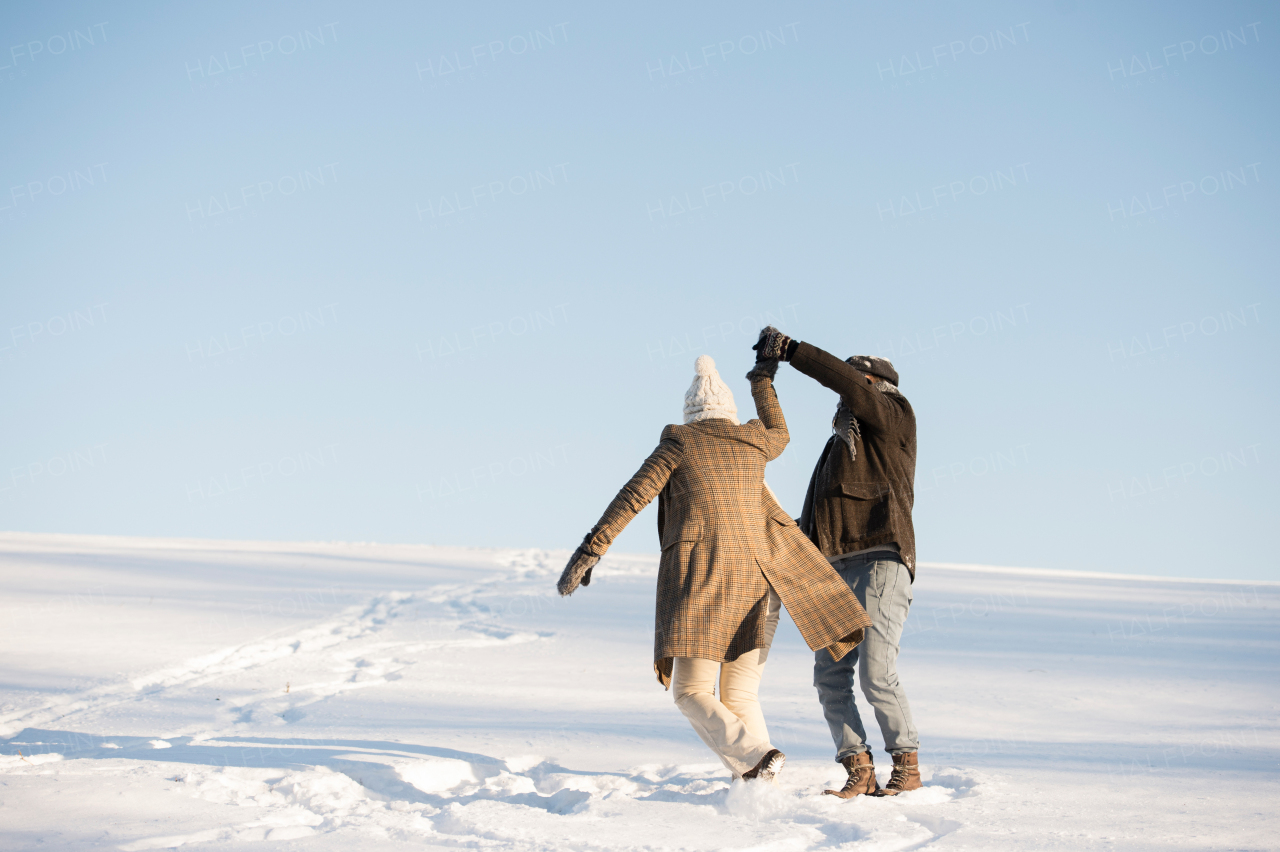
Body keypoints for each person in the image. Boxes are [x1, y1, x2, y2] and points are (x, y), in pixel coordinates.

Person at [557, 354, 870, 784]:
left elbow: (634, 495)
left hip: (707, 582)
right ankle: (762, 785)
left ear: (690, 413)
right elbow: (780, 429)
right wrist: (762, 378)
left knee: (691, 692)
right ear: (729, 413)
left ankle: (758, 760)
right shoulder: (754, 441)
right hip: (764, 580)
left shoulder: (679, 442)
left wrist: (592, 549)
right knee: (740, 695)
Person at [753, 327, 922, 798]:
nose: (846, 399)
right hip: (832, 571)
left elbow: (847, 384)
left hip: (881, 558)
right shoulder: (836, 451)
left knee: (875, 670)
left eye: (856, 384)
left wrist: (792, 352)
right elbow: (813, 519)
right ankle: (858, 766)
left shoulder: (893, 417)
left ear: (874, 386)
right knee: (829, 676)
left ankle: (906, 765)